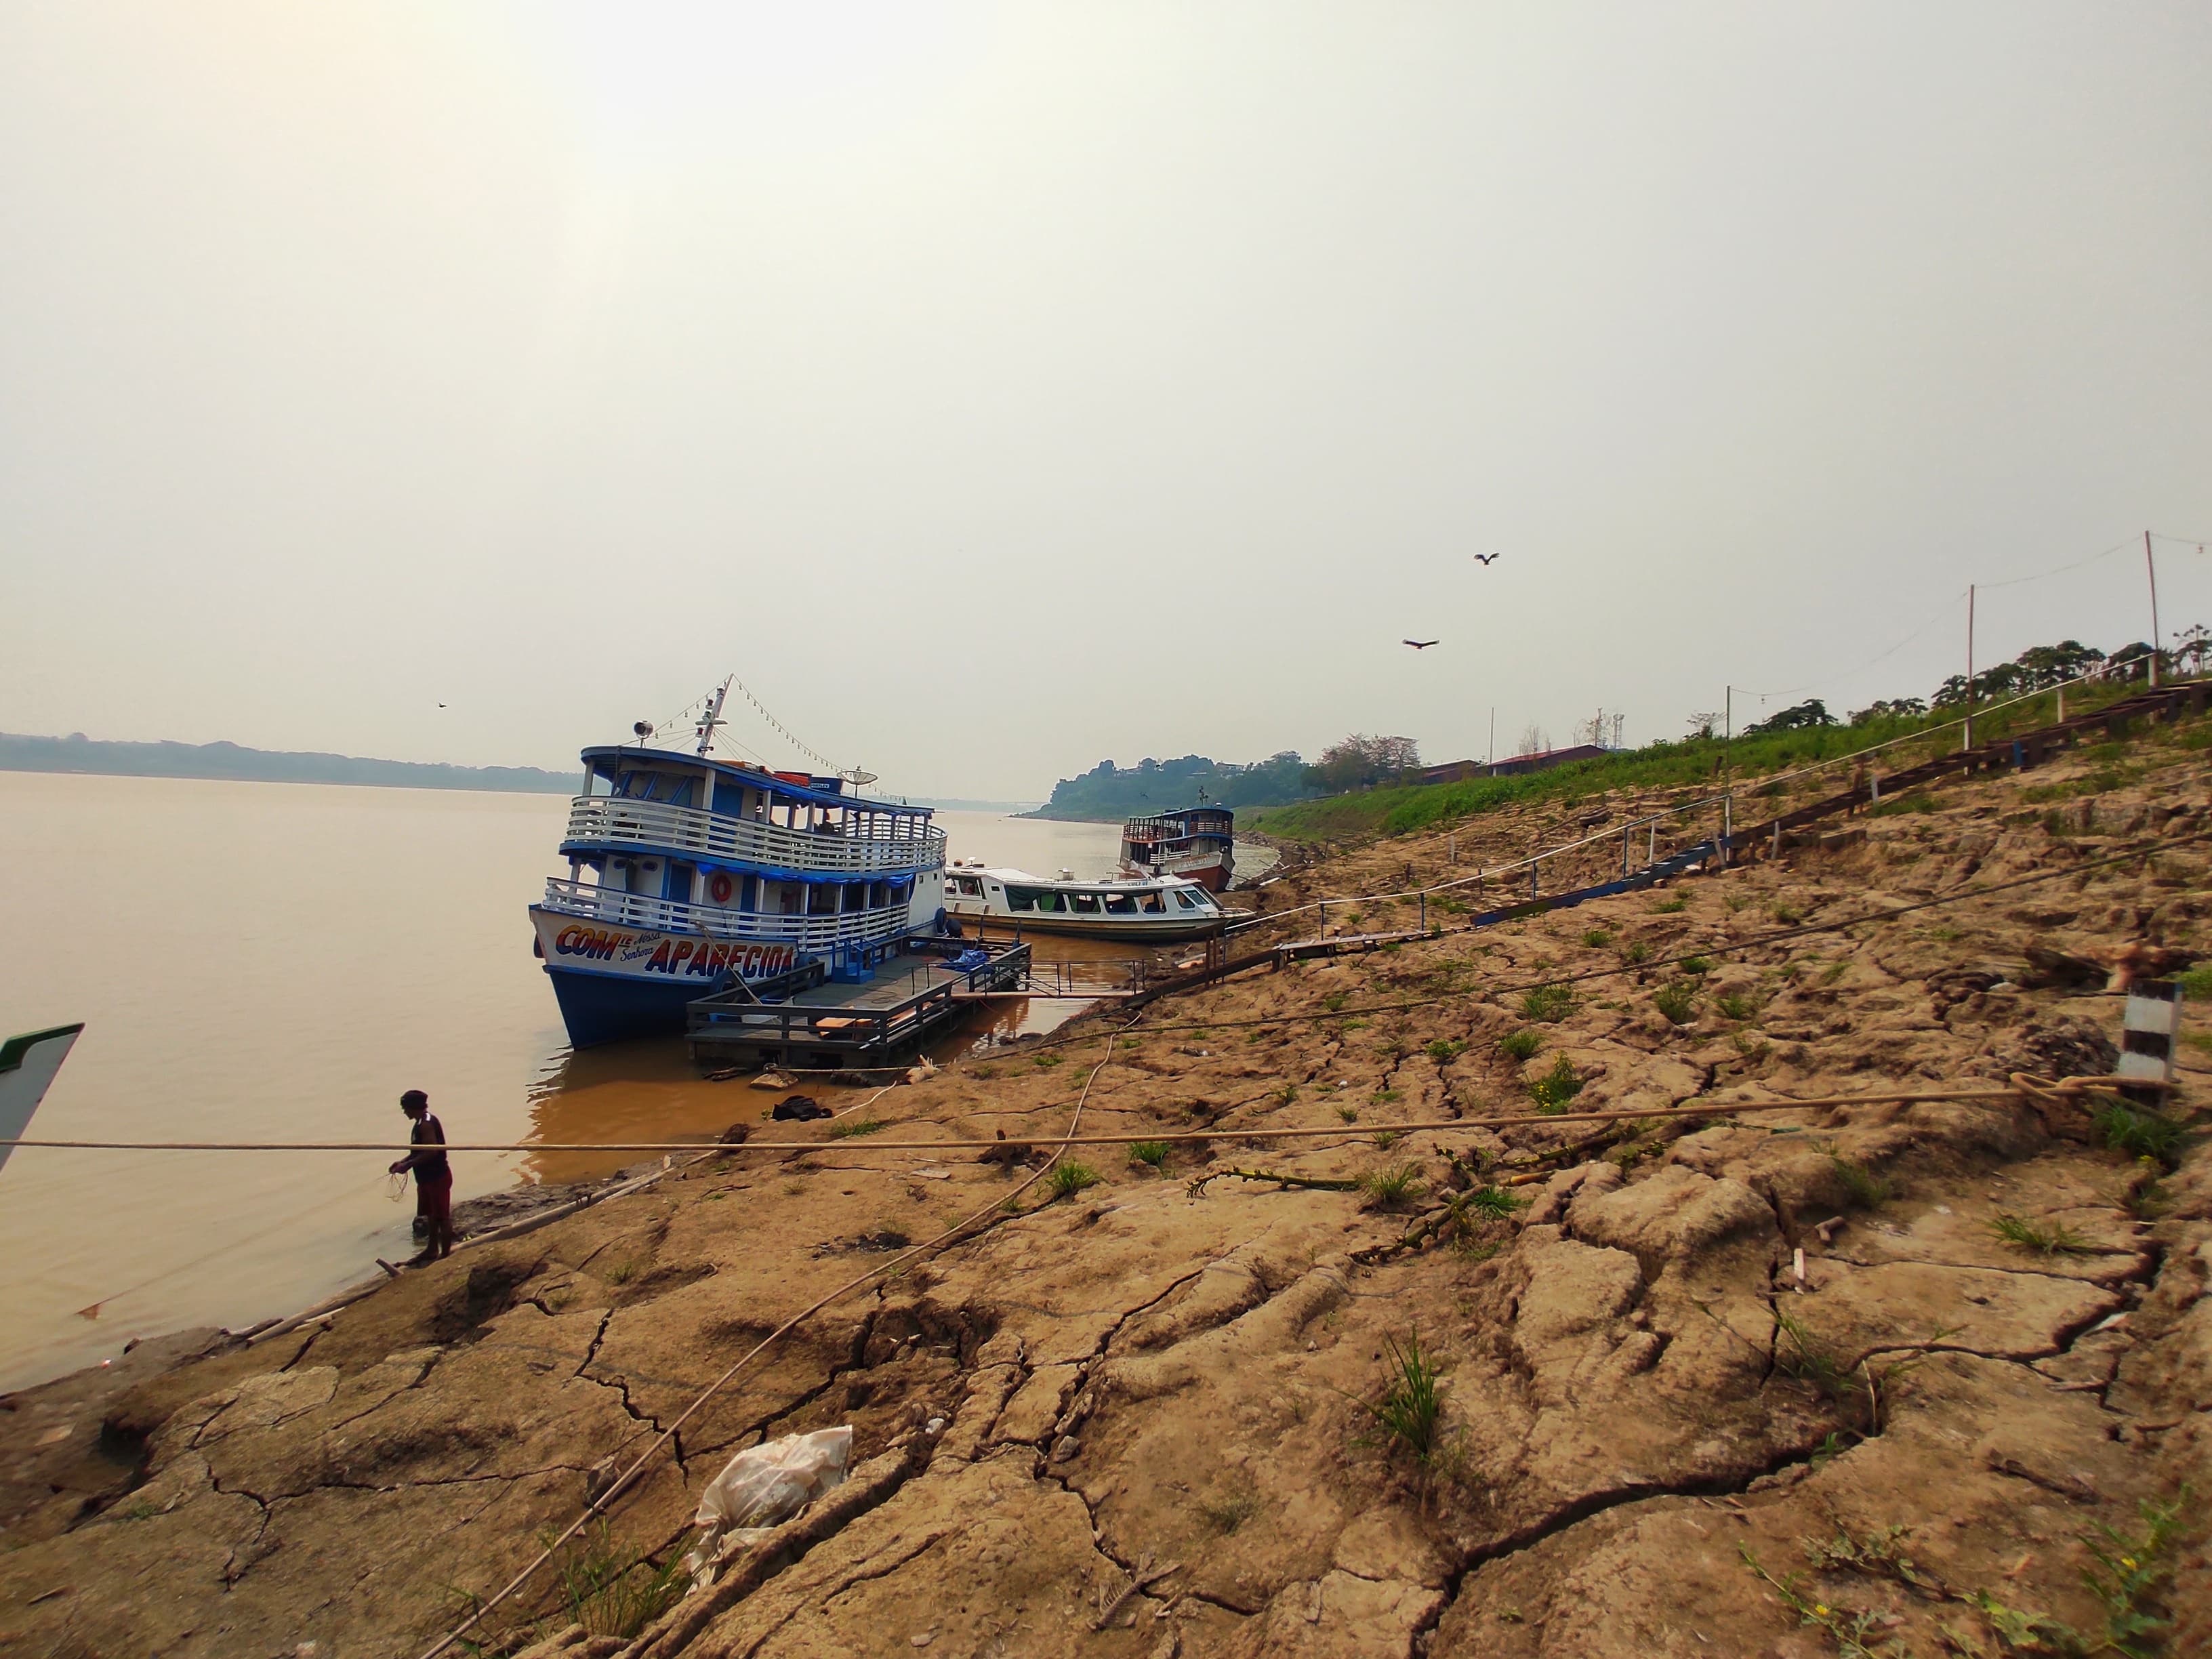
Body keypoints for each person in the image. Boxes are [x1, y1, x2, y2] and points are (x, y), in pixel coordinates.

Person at [390, 1089, 453, 1263]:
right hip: (425, 1178)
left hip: (437, 1177)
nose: (404, 1112)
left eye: (406, 1108)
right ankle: (432, 1249)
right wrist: (402, 1162)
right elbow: (417, 1152)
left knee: (442, 1216)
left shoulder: (426, 1124)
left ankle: (446, 1254)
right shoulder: (418, 1124)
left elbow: (431, 1152)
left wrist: (408, 1165)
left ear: (414, 1107)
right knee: (431, 1215)